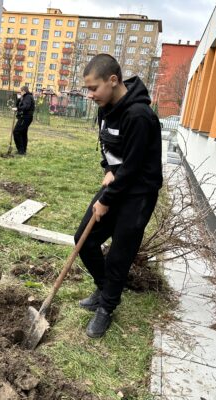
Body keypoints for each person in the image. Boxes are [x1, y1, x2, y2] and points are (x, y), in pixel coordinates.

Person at [75, 54, 162, 338]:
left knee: (119, 255)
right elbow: (110, 146)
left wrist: (106, 199)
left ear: (113, 81)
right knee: (84, 240)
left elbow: (134, 166)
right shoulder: (106, 107)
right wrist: (109, 169)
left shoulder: (139, 115)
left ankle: (107, 308)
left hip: (138, 193)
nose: (90, 95)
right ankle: (105, 288)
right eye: (87, 89)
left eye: (93, 88)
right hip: (119, 183)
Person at [12, 85, 35, 155]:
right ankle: (23, 150)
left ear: (24, 91)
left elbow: (26, 106)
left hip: (25, 117)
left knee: (16, 132)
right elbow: (19, 104)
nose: (20, 92)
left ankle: (21, 150)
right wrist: (18, 99)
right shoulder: (25, 97)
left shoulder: (28, 97)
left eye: (21, 91)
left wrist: (18, 109)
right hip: (25, 117)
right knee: (23, 133)